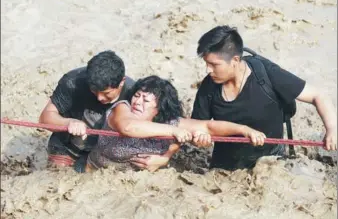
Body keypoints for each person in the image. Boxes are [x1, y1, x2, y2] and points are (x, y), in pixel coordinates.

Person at [191, 25, 337, 171]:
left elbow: (318, 95)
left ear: (235, 60)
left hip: (270, 161)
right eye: (206, 63)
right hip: (225, 168)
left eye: (213, 64)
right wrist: (200, 140)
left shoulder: (266, 74)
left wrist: (332, 129)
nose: (207, 70)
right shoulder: (208, 87)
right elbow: (196, 128)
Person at [85, 75, 267, 173]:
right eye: (137, 96)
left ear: (159, 109)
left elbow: (208, 127)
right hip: (95, 175)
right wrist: (174, 131)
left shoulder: (169, 122)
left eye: (145, 101)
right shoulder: (121, 109)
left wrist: (244, 130)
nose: (137, 102)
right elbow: (129, 128)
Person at [39, 50, 135, 167]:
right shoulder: (72, 82)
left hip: (109, 151)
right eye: (94, 91)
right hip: (69, 145)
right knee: (59, 175)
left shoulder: (135, 94)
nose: (100, 97)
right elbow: (44, 119)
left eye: (106, 93)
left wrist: (161, 158)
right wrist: (69, 122)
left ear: (122, 82)